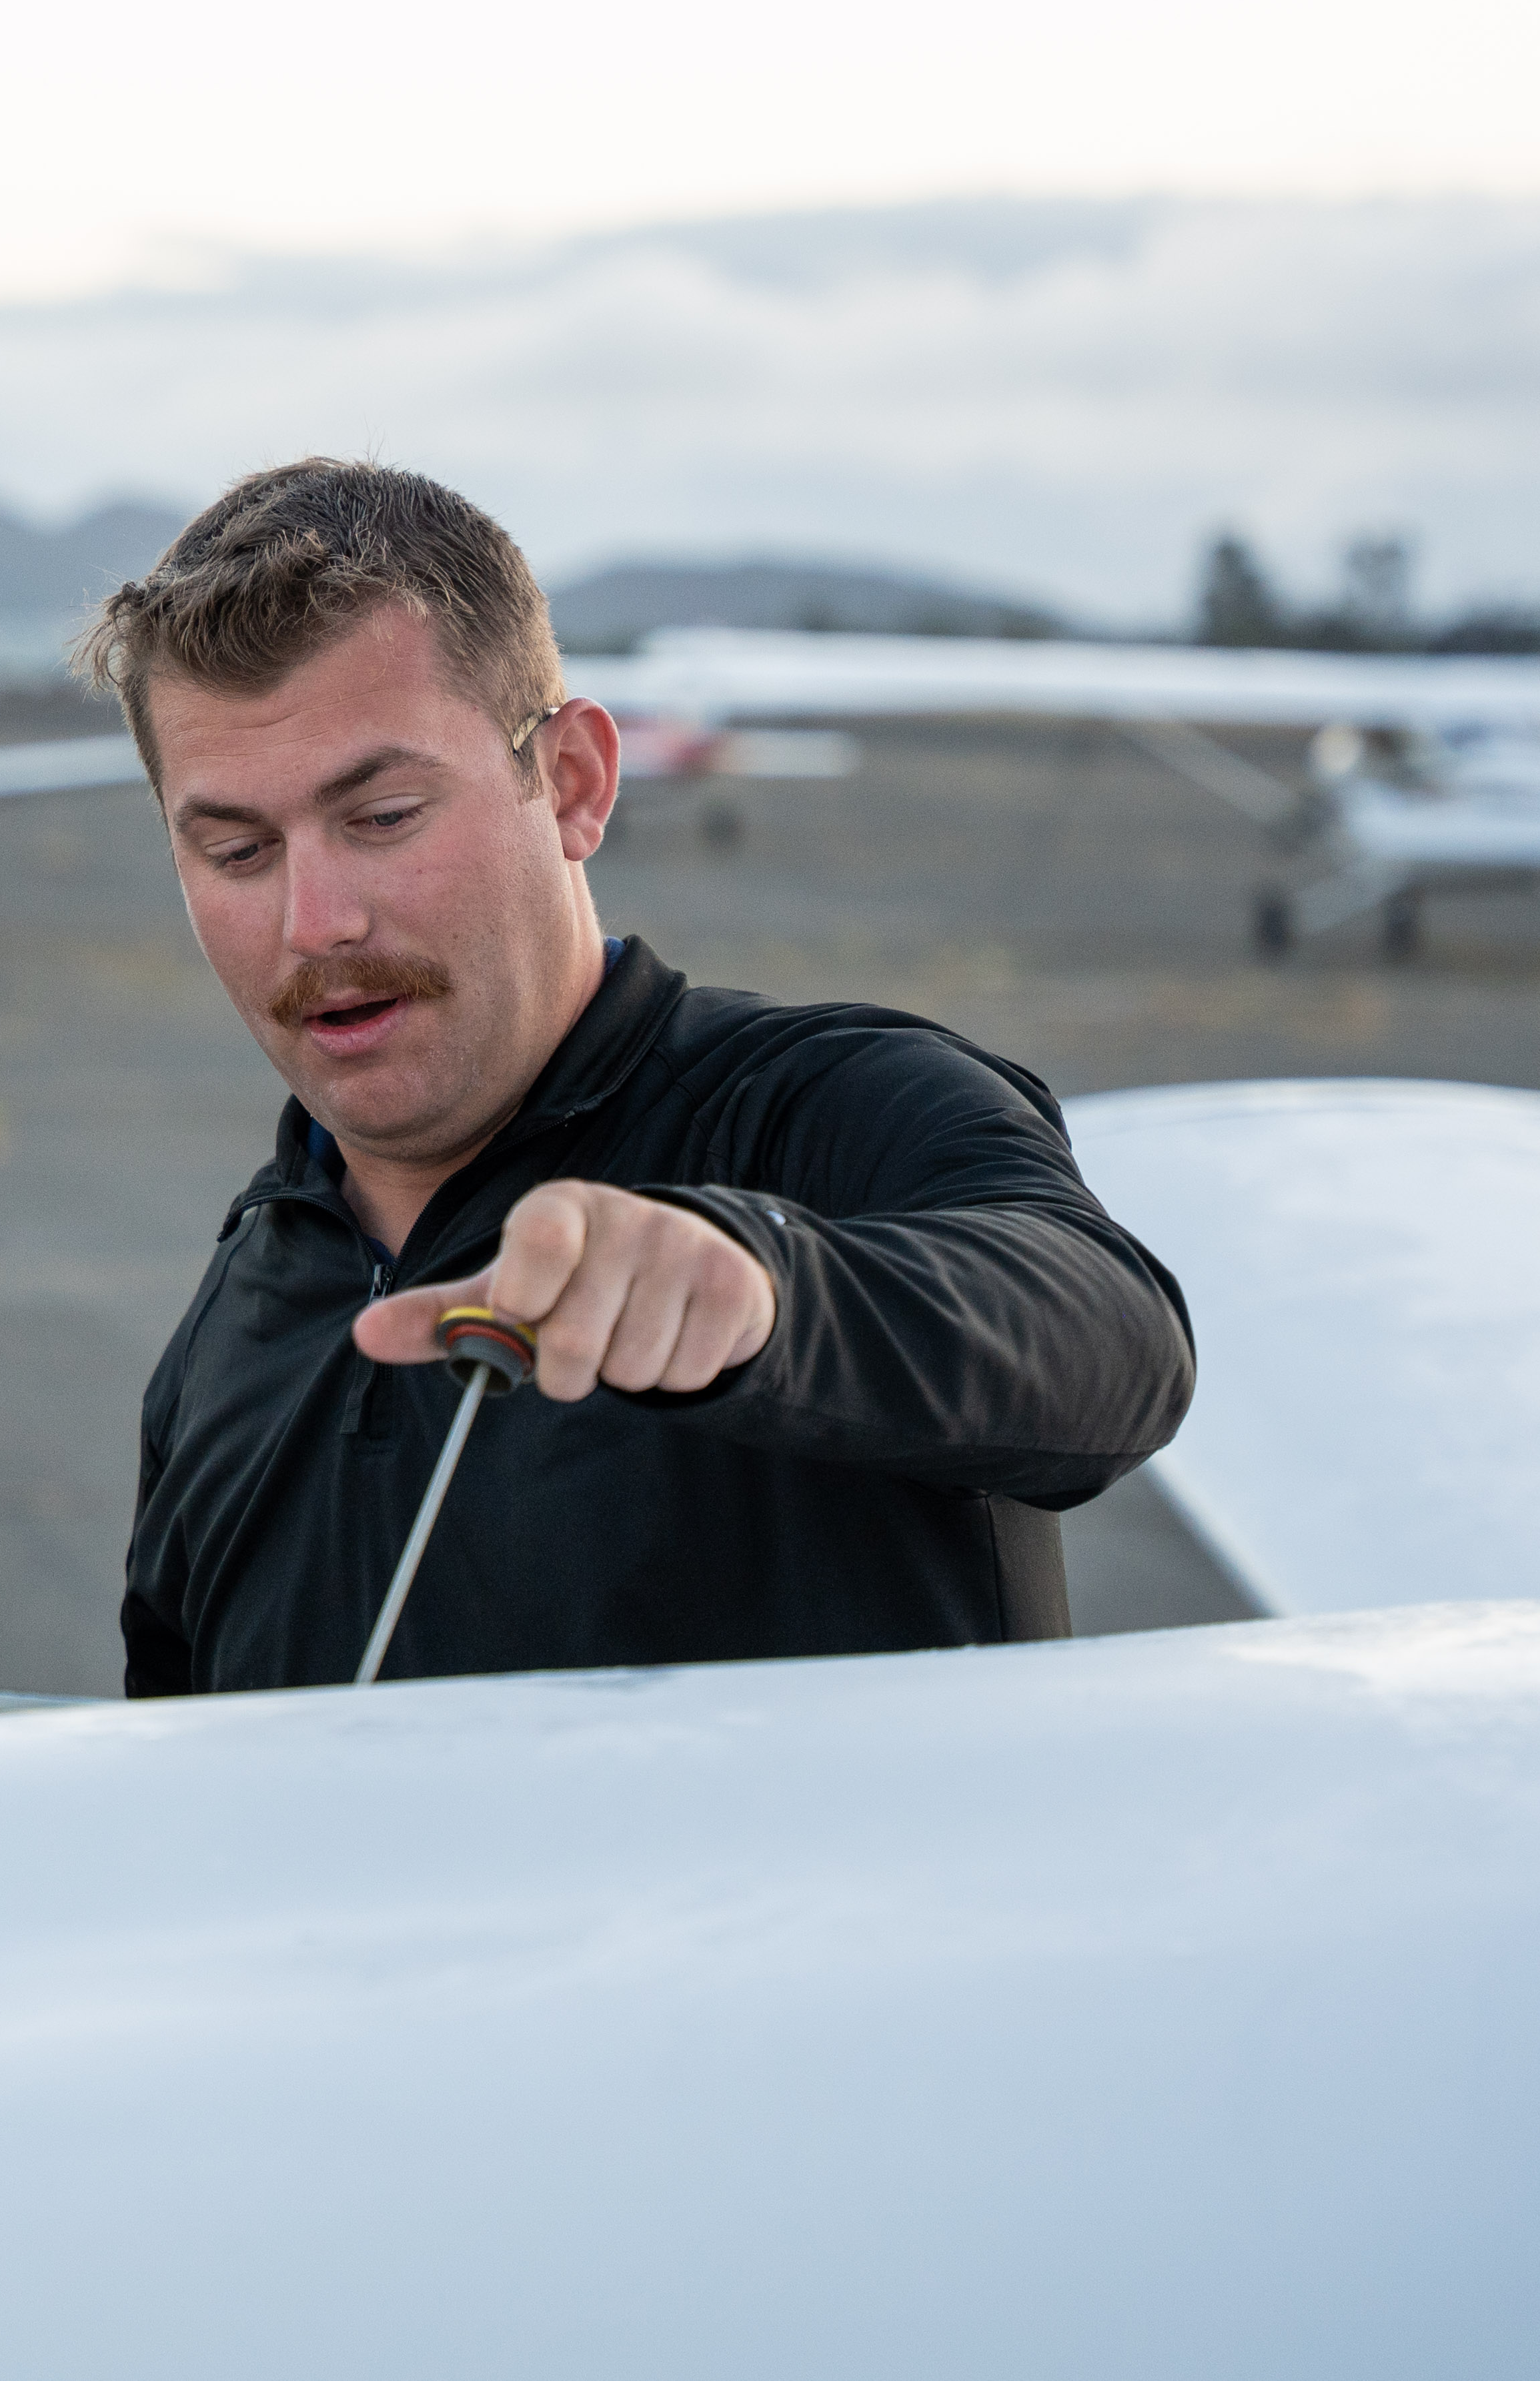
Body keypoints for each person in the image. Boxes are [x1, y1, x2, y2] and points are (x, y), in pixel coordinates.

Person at [79, 460, 1195, 1693]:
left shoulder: (824, 1104)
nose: (315, 922)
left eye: (384, 815)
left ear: (571, 783)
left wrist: (765, 1291)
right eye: (235, 850)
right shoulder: (247, 1297)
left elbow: (1114, 1348)